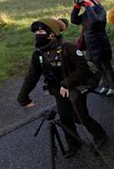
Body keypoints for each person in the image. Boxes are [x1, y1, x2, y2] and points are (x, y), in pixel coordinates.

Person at [18, 18, 107, 158]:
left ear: (51, 33)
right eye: (35, 31)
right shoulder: (38, 53)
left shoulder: (68, 48)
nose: (37, 34)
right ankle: (73, 143)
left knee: (80, 116)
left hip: (75, 86)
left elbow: (83, 69)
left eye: (41, 31)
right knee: (65, 117)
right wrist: (23, 97)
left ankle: (100, 135)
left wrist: (66, 84)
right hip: (57, 90)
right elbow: (32, 76)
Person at [71, 0, 114, 96]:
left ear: (95, 2)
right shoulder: (87, 13)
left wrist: (88, 7)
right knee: (98, 67)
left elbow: (96, 21)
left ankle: (113, 86)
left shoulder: (101, 11)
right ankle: (105, 85)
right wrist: (77, 8)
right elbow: (74, 21)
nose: (85, 4)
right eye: (84, 2)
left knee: (106, 66)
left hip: (101, 44)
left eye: (88, 1)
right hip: (90, 45)